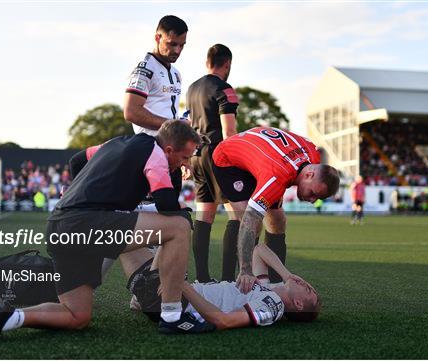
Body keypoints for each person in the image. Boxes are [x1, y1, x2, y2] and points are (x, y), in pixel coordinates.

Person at [0, 121, 215, 343]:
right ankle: (172, 317)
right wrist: (183, 205)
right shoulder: (157, 153)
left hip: (60, 225)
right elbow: (167, 205)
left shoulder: (114, 143)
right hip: (87, 223)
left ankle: (8, 317)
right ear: (169, 148)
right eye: (184, 158)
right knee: (180, 225)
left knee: (76, 315)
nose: (184, 165)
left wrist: (78, 191)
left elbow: (77, 160)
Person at [211, 127, 340, 293]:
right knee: (249, 222)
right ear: (309, 175)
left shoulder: (313, 154)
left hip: (264, 157)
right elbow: (248, 222)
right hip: (229, 160)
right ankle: (233, 282)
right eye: (313, 193)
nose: (313, 200)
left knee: (278, 221)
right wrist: (246, 269)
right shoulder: (276, 177)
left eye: (318, 198)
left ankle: (276, 283)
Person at [121, 241, 320, 331]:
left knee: (176, 228)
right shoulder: (270, 289)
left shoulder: (272, 305)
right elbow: (259, 250)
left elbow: (223, 321)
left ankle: (147, 288)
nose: (306, 284)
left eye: (308, 290)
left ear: (298, 304)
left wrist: (180, 283)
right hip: (167, 295)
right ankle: (141, 297)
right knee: (122, 236)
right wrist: (288, 275)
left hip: (177, 301)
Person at [186, 44, 240, 283]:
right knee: (239, 216)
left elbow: (188, 125)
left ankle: (203, 279)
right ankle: (229, 279)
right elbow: (229, 131)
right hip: (218, 154)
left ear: (207, 62)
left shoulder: (191, 88)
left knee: (204, 216)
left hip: (196, 155)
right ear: (226, 63)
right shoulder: (225, 89)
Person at [124, 15, 188, 195]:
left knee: (171, 216)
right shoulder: (144, 69)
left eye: (182, 45)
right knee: (156, 216)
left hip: (170, 152)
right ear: (157, 38)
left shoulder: (175, 73)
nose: (177, 50)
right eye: (172, 43)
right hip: (150, 150)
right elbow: (131, 111)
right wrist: (174, 127)